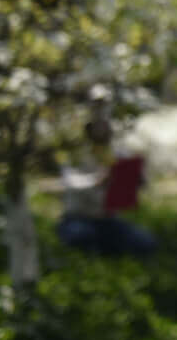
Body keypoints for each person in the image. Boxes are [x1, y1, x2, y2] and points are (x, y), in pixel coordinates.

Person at [55, 93, 156, 257]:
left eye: (105, 124)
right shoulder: (77, 154)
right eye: (98, 124)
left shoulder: (118, 153)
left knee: (145, 242)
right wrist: (98, 181)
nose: (102, 128)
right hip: (78, 219)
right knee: (81, 237)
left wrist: (138, 180)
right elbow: (70, 183)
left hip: (108, 221)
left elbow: (137, 184)